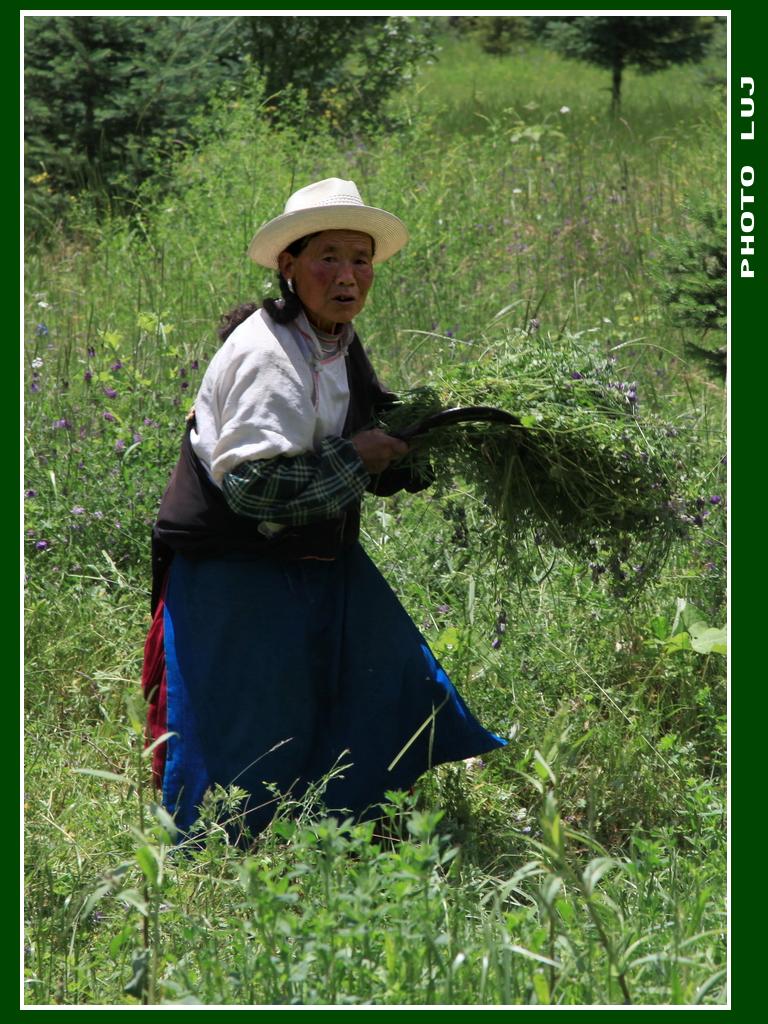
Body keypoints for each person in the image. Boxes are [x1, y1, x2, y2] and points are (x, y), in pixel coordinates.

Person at [141, 178, 506, 842]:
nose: (348, 275)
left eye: (360, 259)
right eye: (328, 257)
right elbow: (252, 489)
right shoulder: (267, 359)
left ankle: (348, 828)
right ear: (289, 265)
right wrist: (356, 460)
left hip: (311, 556)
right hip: (235, 568)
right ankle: (221, 856)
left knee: (393, 676)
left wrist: (421, 445)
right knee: (246, 727)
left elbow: (360, 420)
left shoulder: (333, 339)